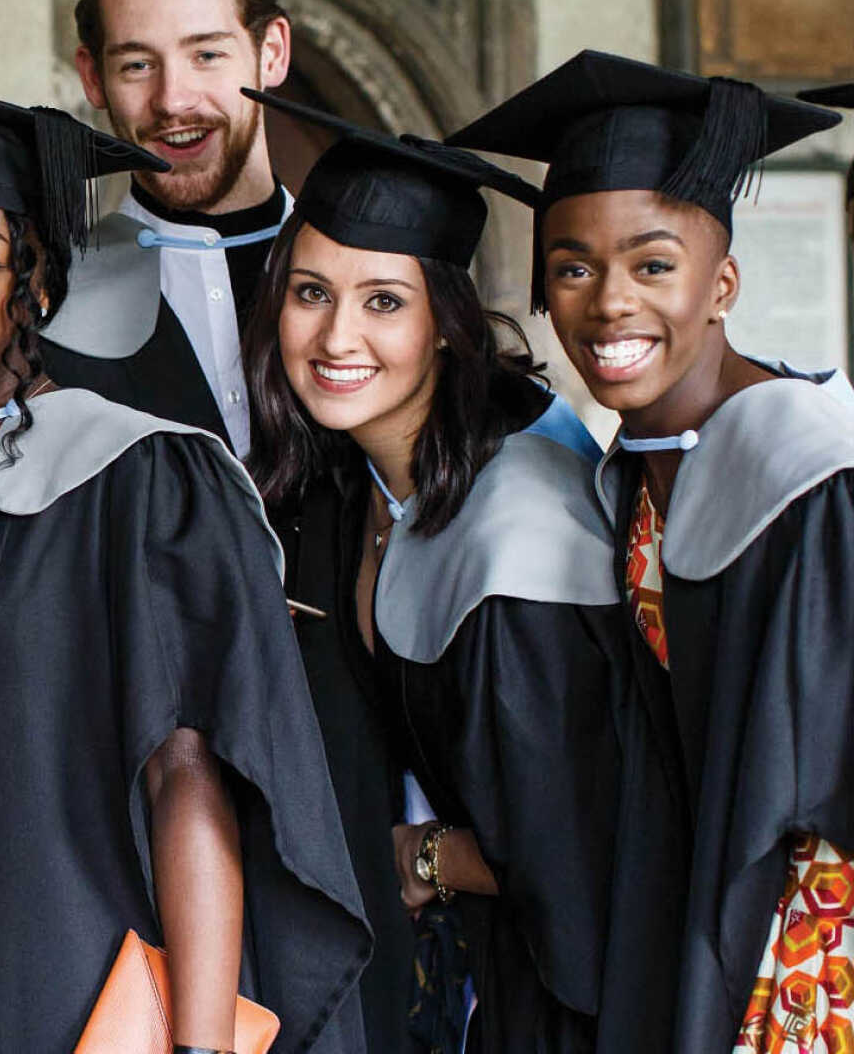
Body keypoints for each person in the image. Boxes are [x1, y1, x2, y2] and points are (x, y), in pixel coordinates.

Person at [0, 83, 371, 1054]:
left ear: (39, 287)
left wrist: (200, 1044)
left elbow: (187, 781)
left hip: (70, 997)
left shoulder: (134, 478)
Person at [242, 88, 686, 1053]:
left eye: (384, 301)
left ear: (444, 321)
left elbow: (589, 847)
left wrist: (427, 858)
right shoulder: (353, 483)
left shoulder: (523, 530)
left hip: (567, 1003)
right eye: (310, 293)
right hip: (454, 979)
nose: (336, 337)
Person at [447, 50, 851, 1052]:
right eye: (573, 268)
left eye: (654, 265)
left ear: (723, 284)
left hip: (814, 957)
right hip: (707, 946)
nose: (610, 303)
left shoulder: (812, 471)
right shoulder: (634, 473)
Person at [7, 0, 354, 453]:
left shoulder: (364, 291)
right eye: (137, 64)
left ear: (272, 52)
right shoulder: (52, 305)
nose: (173, 100)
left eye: (207, 54)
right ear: (92, 77)